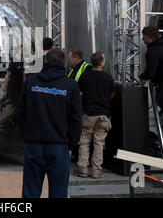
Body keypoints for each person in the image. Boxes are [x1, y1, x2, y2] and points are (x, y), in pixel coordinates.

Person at [16, 49, 83, 198]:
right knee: (58, 192)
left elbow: (20, 113)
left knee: (30, 192)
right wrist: (71, 145)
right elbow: (76, 119)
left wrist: (26, 136)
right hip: (59, 147)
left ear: (45, 62)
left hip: (34, 145)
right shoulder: (70, 86)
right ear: (63, 63)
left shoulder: (30, 83)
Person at [73, 52, 115, 179]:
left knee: (84, 142)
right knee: (99, 143)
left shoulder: (85, 76)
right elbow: (112, 95)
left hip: (88, 114)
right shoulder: (108, 77)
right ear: (102, 62)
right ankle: (96, 171)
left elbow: (78, 92)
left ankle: (82, 169)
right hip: (103, 115)